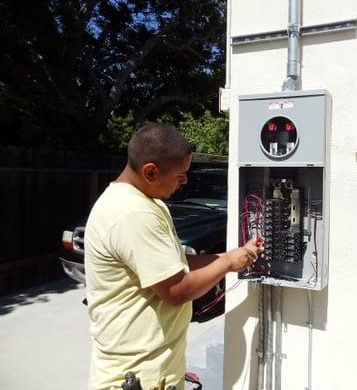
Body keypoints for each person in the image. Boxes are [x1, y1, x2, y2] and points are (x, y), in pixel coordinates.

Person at [85, 123, 262, 390]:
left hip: (157, 372)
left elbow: (174, 267)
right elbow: (176, 289)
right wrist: (226, 264)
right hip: (137, 377)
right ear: (151, 171)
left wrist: (230, 255)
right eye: (180, 175)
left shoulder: (149, 203)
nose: (185, 181)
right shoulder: (132, 213)